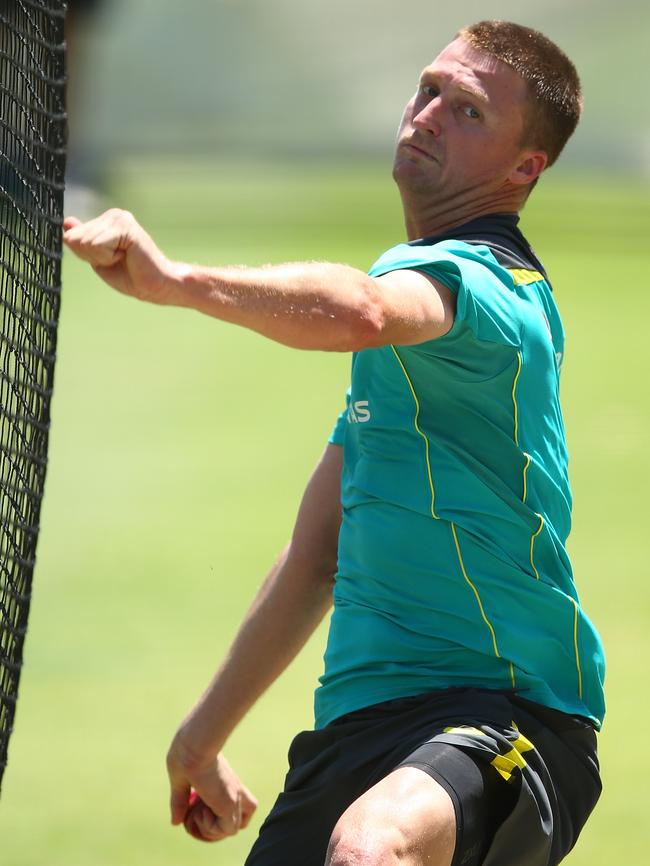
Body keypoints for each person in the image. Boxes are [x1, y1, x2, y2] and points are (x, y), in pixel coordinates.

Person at [63, 20, 605, 866]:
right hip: (361, 728)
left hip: (505, 716)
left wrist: (176, 283)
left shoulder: (496, 291)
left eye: (466, 112)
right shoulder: (404, 361)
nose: (426, 116)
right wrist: (199, 742)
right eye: (429, 90)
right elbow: (318, 555)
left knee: (369, 850)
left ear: (524, 168)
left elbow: (358, 309)